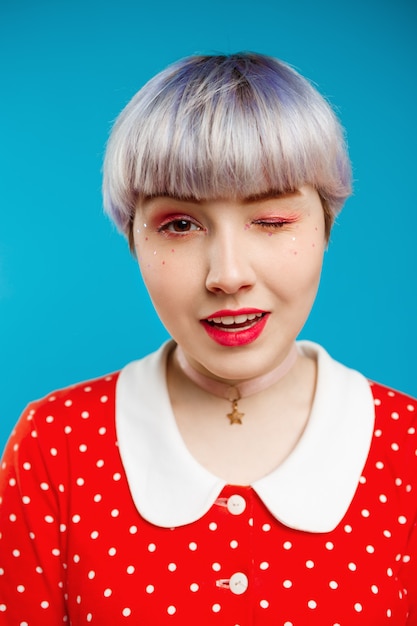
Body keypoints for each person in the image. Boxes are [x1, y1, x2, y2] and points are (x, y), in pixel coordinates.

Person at [0, 52, 416, 626]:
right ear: (132, 240)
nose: (226, 274)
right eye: (179, 225)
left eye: (270, 222)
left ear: (326, 226)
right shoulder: (55, 445)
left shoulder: (408, 448)